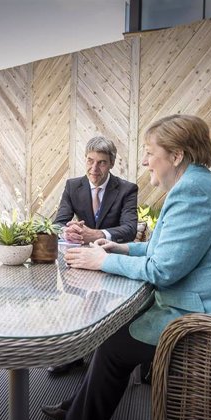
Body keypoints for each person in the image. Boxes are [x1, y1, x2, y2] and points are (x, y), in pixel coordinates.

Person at [34, 114, 211, 420]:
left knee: (114, 344)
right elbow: (162, 248)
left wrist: (103, 260)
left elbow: (163, 270)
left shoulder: (192, 192)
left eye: (151, 151)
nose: (145, 160)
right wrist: (120, 247)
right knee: (115, 333)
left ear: (176, 155)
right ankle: (76, 408)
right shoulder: (196, 184)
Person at [48, 135, 138, 375]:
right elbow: (57, 224)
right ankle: (73, 354)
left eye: (101, 163)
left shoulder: (127, 189)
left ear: (111, 164)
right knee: (73, 305)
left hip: (110, 259)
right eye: (90, 161)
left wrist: (95, 234)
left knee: (101, 308)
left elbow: (129, 229)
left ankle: (97, 358)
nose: (94, 169)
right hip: (77, 261)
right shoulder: (72, 185)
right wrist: (69, 230)